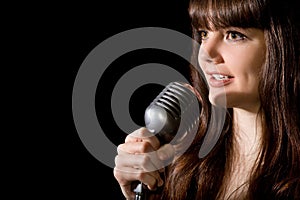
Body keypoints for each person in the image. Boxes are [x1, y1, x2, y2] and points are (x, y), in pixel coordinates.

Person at [113, 0, 300, 199]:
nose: (206, 53)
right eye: (204, 34)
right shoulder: (178, 165)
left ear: (283, 45)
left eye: (233, 35)